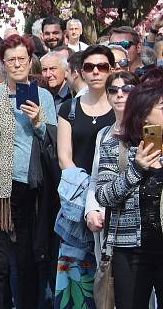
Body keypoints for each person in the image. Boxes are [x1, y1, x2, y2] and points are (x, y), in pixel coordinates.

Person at [0, 34, 57, 309]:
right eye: (11, 60)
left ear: (30, 62)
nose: (17, 65)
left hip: (30, 186)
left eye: (22, 59)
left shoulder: (44, 98)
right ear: (2, 64)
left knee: (28, 260)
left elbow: (51, 141)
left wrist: (38, 120)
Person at [54, 45, 116, 307]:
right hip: (76, 199)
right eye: (89, 67)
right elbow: (64, 158)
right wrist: (86, 201)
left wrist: (102, 198)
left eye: (102, 67)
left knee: (111, 273)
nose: (95, 72)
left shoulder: (121, 107)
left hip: (113, 196)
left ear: (111, 70)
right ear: (81, 72)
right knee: (76, 270)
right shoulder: (69, 108)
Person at [95, 68, 163, 309]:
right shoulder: (116, 145)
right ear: (144, 113)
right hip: (130, 251)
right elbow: (103, 195)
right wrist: (136, 169)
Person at [84, 72, 139, 255]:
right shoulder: (103, 134)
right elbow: (95, 178)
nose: (120, 94)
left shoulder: (143, 132)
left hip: (136, 226)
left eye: (127, 89)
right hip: (107, 221)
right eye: (113, 90)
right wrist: (91, 210)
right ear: (107, 96)